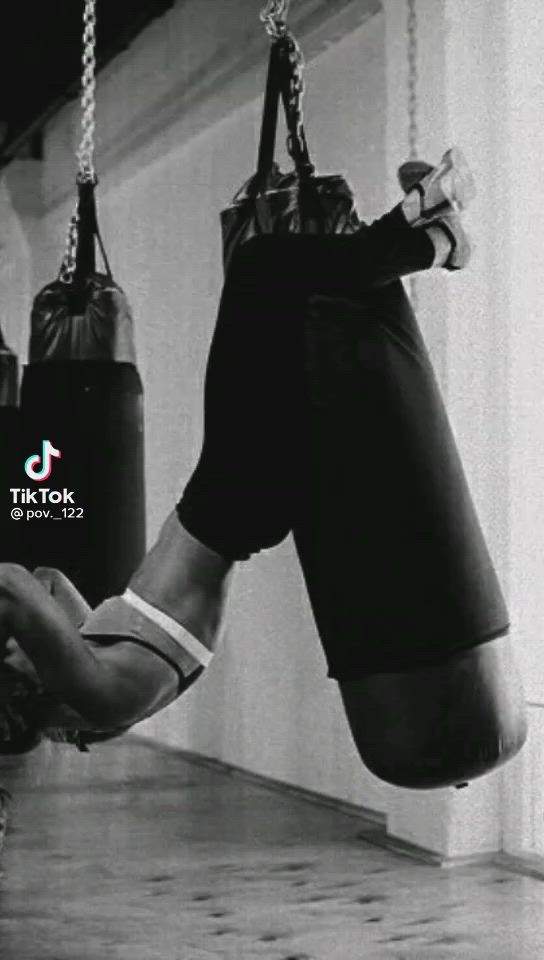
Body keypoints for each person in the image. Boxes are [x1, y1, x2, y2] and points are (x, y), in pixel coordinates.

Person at [0, 148, 478, 753]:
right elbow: (14, 584)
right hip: (231, 503)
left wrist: (46, 626)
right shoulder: (95, 691)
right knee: (260, 269)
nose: (14, 645)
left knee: (279, 304)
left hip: (230, 502)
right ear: (25, 689)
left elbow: (46, 578)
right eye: (11, 657)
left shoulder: (93, 681)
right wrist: (33, 638)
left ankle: (421, 232)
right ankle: (431, 239)